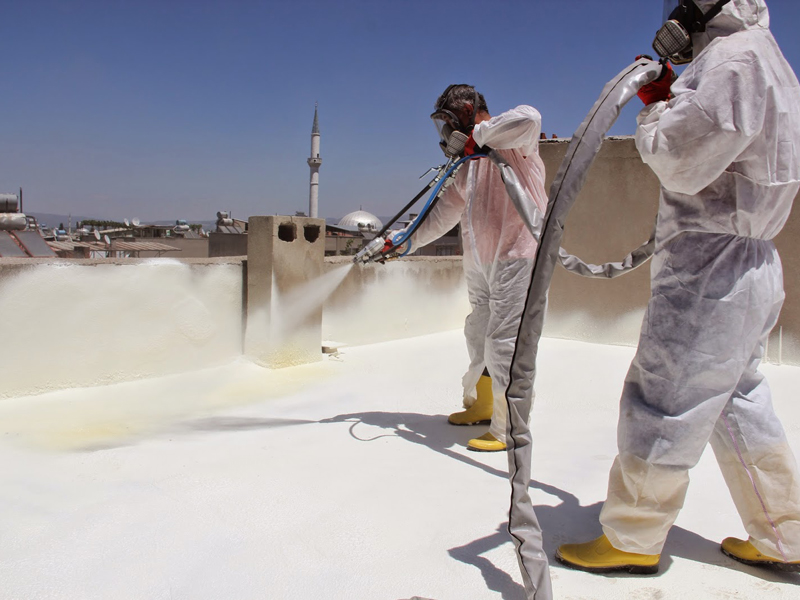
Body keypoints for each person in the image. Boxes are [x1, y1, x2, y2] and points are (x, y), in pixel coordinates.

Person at [557, 0, 800, 573]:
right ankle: (784, 535)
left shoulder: (732, 60)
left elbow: (680, 159)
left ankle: (632, 537)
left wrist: (656, 109)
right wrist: (675, 96)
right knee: (735, 402)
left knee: (664, 399)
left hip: (708, 271)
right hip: (750, 263)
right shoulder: (767, 58)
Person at [400, 84, 549, 452]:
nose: (446, 135)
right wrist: (406, 240)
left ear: (468, 111)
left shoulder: (512, 141)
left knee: (504, 343)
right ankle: (482, 405)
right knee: (478, 333)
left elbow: (530, 117)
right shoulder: (470, 163)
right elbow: (445, 211)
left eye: (450, 123)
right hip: (482, 261)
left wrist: (478, 137)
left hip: (518, 255)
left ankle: (507, 428)